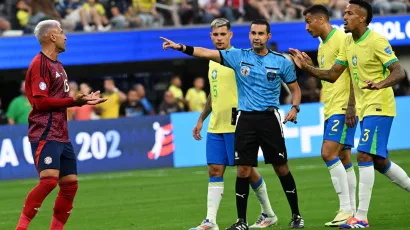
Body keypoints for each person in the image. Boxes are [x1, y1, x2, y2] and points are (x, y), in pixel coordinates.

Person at [162, 19, 304, 229]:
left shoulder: (279, 60)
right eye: (253, 33)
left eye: (261, 33)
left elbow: (295, 87)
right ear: (249, 35)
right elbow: (204, 56)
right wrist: (180, 47)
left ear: (268, 37)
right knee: (238, 170)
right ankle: (235, 221)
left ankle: (292, 215)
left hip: (263, 119)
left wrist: (295, 107)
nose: (256, 37)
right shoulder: (235, 57)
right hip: (242, 120)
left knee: (280, 168)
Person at [289, 0, 410, 228]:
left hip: (379, 105)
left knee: (361, 155)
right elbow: (333, 74)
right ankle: (353, 211)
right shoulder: (347, 44)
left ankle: (359, 217)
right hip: (364, 108)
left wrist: (380, 84)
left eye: (349, 13)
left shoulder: (376, 40)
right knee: (379, 162)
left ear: (362, 18)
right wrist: (307, 68)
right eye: (344, 13)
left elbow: (399, 70)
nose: (344, 17)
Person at [15, 20, 106, 230]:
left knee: (70, 185)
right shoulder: (40, 64)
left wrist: (83, 99)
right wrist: (74, 101)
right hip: (44, 132)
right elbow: (40, 102)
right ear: (52, 37)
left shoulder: (59, 66)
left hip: (62, 134)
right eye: (62, 33)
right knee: (48, 181)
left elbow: (59, 100)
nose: (66, 37)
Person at [190, 18, 278, 230]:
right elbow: (214, 92)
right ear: (211, 37)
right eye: (215, 35)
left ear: (230, 35)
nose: (219, 39)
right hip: (216, 124)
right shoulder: (212, 61)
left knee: (246, 171)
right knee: (214, 169)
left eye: (223, 35)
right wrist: (202, 118)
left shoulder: (239, 59)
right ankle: (211, 221)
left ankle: (268, 213)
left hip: (237, 123)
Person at [301, 4, 358, 227]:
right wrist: (308, 64)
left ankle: (345, 208)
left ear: (321, 19)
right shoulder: (323, 45)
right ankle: (352, 211)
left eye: (308, 22)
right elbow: (328, 75)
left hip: (343, 107)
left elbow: (355, 73)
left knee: (327, 153)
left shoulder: (342, 39)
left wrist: (352, 105)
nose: (306, 27)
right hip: (331, 107)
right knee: (343, 158)